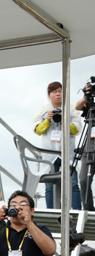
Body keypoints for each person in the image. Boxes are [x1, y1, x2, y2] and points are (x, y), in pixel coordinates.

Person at [33, 81, 82, 209]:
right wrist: (47, 120)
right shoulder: (43, 110)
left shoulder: (71, 109)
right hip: (49, 154)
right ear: (49, 94)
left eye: (60, 91)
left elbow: (76, 130)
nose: (58, 94)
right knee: (49, 187)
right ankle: (52, 213)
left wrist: (64, 119)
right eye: (54, 91)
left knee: (73, 184)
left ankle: (76, 212)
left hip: (67, 154)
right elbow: (38, 131)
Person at [76, 83, 95, 211]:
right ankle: (89, 210)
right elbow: (78, 106)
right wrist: (86, 96)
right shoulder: (91, 105)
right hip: (89, 147)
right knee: (84, 180)